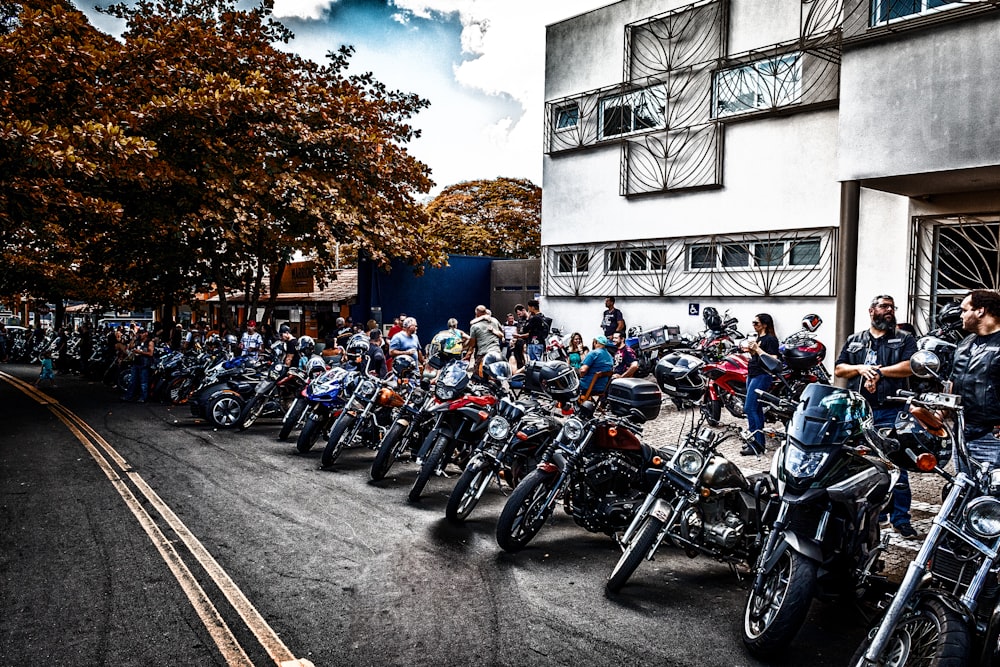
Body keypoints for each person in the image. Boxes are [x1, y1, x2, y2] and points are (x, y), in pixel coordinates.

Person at [835, 294, 918, 539]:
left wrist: (878, 373)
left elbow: (910, 366)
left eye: (892, 306)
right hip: (859, 412)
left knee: (896, 465)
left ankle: (901, 518)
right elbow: (840, 368)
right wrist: (860, 369)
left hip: (891, 410)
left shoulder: (905, 338)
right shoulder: (855, 339)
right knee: (862, 464)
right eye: (884, 306)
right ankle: (874, 513)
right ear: (871, 311)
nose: (889, 310)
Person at [949, 289, 1000, 472]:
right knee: (965, 491)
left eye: (964, 310)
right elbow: (953, 381)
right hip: (962, 432)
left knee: (991, 496)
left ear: (980, 311)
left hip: (992, 436)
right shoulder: (965, 344)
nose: (961, 315)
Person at [742, 313, 780, 456]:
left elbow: (773, 359)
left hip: (761, 375)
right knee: (756, 409)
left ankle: (755, 444)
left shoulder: (771, 339)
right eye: (753, 322)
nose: (754, 325)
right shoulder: (760, 338)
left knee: (750, 408)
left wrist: (757, 349)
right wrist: (752, 351)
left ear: (765, 324)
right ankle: (758, 443)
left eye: (756, 323)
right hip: (753, 374)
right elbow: (757, 357)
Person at [123, 329, 155, 402]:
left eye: (142, 333)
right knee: (132, 381)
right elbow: (130, 347)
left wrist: (140, 352)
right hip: (136, 363)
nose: (140, 335)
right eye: (139, 333)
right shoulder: (137, 341)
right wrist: (133, 339)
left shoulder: (149, 342)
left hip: (144, 364)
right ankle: (129, 396)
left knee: (143, 382)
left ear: (146, 334)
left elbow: (150, 353)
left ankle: (143, 397)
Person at [467, 306, 503, 371]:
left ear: (477, 313)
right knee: (496, 373)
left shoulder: (474, 326)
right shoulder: (495, 320)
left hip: (483, 353)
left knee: (478, 376)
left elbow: (472, 344)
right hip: (496, 352)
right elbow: (502, 332)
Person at [511, 304, 528, 369]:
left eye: (519, 314)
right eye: (517, 314)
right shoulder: (520, 320)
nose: (518, 316)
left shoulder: (529, 319)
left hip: (526, 341)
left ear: (523, 310)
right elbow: (517, 329)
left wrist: (520, 336)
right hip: (519, 341)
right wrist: (514, 337)